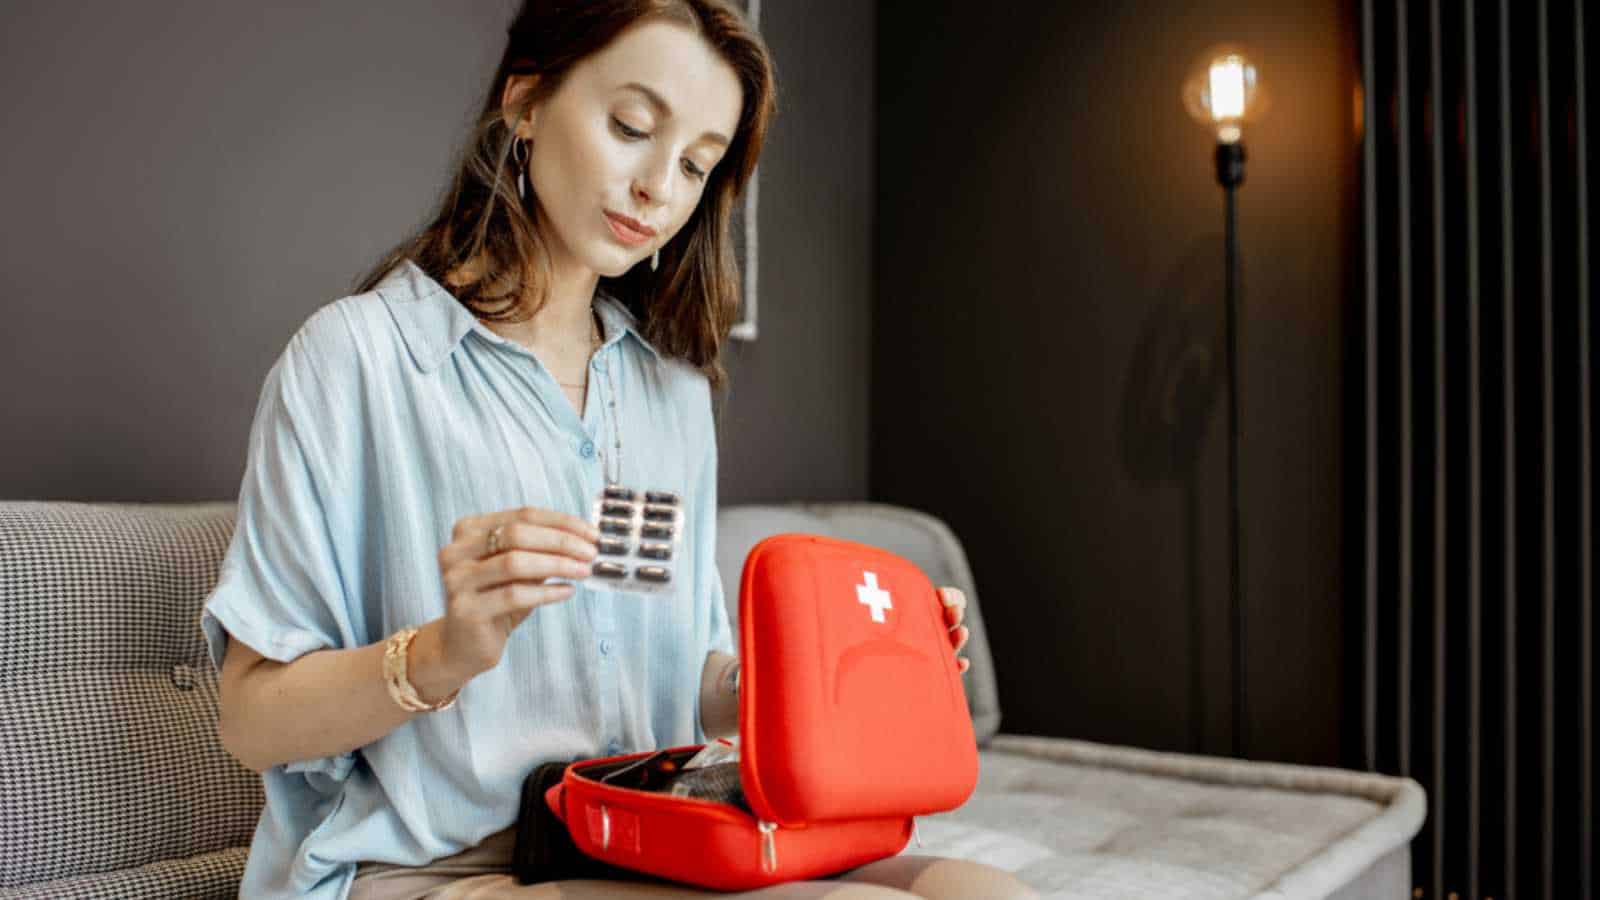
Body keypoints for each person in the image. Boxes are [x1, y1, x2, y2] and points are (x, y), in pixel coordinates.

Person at [204, 2, 1034, 898]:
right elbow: (251, 719)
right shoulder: (355, 360)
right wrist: (444, 651)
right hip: (438, 868)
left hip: (650, 834)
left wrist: (834, 674)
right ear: (525, 103)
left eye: (694, 164)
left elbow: (697, 682)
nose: (659, 189)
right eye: (632, 127)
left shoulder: (670, 389)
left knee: (977, 891)